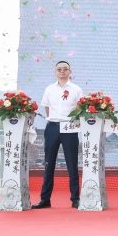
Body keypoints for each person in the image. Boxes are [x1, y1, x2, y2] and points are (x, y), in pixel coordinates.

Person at [32, 61, 84, 209]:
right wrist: (55, 120)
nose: (62, 71)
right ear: (55, 72)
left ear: (70, 71)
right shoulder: (49, 89)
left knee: (72, 164)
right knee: (49, 164)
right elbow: (47, 108)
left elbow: (80, 107)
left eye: (65, 69)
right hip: (53, 127)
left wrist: (66, 120)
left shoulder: (77, 89)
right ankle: (45, 199)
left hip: (69, 127)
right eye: (59, 69)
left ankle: (75, 199)